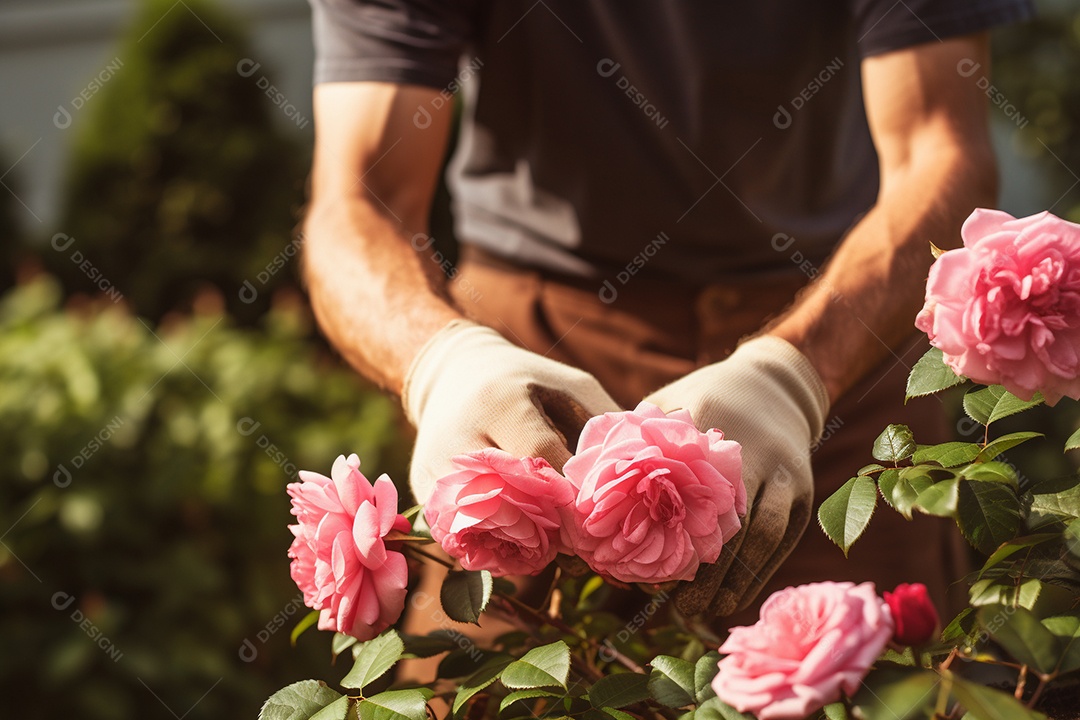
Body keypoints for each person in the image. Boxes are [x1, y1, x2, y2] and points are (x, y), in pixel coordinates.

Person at [300, 0, 1033, 626]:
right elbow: (358, 197)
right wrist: (442, 364)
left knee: (871, 677)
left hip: (838, 341)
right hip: (530, 357)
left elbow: (940, 150)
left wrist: (795, 377)